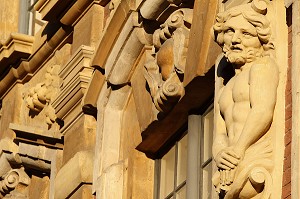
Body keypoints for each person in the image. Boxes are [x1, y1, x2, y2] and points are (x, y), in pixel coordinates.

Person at [211, 2, 278, 197]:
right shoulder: (225, 87)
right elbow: (220, 134)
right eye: (230, 31)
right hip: (230, 166)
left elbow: (262, 111)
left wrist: (238, 151)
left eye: (246, 34)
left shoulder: (262, 66)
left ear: (260, 38)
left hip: (253, 155)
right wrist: (220, 154)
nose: (235, 40)